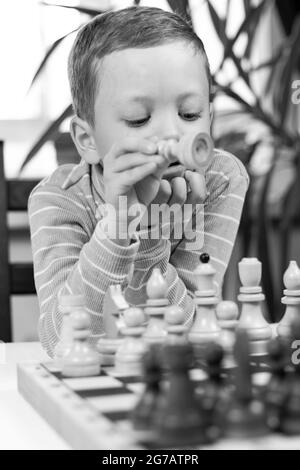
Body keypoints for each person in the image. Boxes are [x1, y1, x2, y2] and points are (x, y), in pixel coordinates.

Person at [28, 6, 249, 357]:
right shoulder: (59, 199)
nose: (171, 132)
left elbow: (193, 333)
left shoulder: (219, 179)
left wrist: (149, 239)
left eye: (190, 113)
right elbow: (62, 340)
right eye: (138, 119)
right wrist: (120, 226)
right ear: (88, 140)